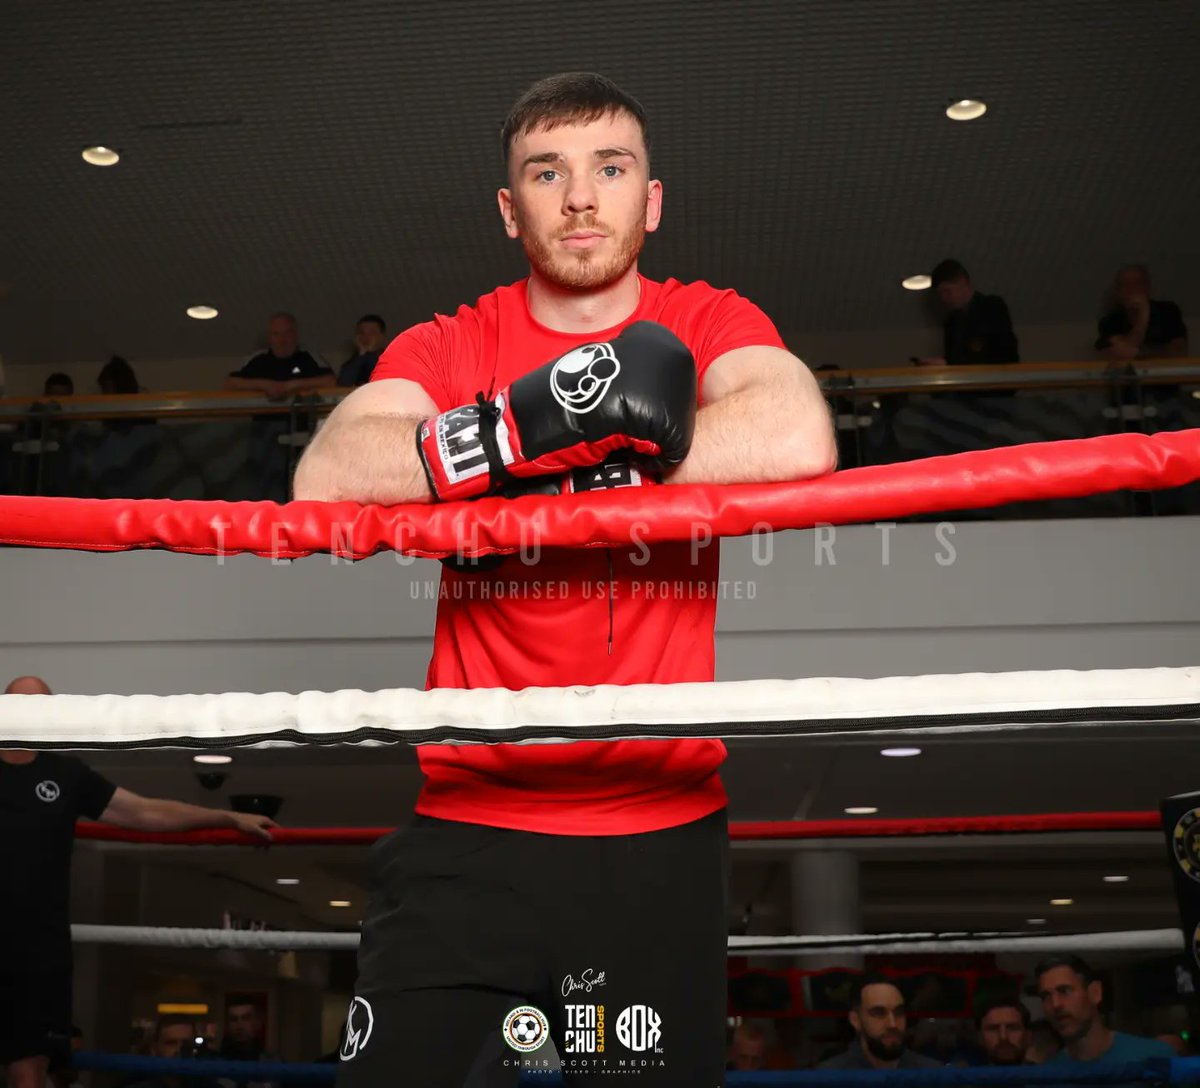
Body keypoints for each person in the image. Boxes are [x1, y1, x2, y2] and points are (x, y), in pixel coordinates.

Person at [295, 71, 836, 1087]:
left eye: (610, 168)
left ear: (652, 198)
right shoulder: (453, 342)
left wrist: (573, 458)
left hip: (655, 838)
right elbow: (330, 472)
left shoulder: (705, 318)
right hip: (470, 830)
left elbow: (795, 431)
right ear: (512, 210)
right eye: (548, 172)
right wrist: (526, 427)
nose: (581, 197)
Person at [0, 676, 276, 1088]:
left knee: (29, 1072)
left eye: (40, 707)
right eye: (19, 706)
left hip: (38, 948)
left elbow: (146, 813)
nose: (29, 716)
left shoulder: (67, 775)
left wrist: (227, 816)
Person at [1035, 954, 1174, 1084]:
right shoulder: (1047, 1078)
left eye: (1065, 991)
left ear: (1095, 992)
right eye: (1046, 996)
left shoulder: (1154, 1057)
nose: (1055, 1004)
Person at [818, 975, 942, 1071]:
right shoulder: (829, 1077)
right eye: (878, 1013)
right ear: (855, 1020)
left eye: (898, 1012)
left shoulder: (932, 1074)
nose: (892, 1024)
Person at [919, 258, 1020, 368]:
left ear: (963, 283)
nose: (943, 298)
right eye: (940, 293)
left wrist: (948, 364)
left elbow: (1005, 354)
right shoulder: (951, 322)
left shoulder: (992, 307)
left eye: (947, 291)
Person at [224, 313, 335, 399]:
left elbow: (331, 381)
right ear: (269, 336)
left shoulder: (309, 357)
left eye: (287, 333)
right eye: (276, 334)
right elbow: (230, 383)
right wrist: (265, 385)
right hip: (264, 423)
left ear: (295, 334)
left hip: (300, 422)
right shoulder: (257, 359)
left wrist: (292, 386)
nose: (282, 340)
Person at [1096, 265, 1188, 361]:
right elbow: (1121, 358)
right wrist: (1143, 317)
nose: (1131, 289)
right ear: (1118, 292)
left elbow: (1178, 354)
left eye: (1137, 283)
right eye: (1125, 285)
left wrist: (1135, 351)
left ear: (1147, 287)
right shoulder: (1110, 321)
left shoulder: (1168, 311)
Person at [976, 998, 1031, 1066]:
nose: (1003, 1037)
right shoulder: (966, 1075)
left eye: (1013, 1028)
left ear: (1028, 1036)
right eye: (993, 1029)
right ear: (980, 1037)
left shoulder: (1044, 1075)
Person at [336, 315, 387, 387]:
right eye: (361, 332)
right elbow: (343, 384)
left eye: (372, 333)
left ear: (381, 336)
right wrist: (361, 355)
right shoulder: (353, 361)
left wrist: (371, 354)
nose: (366, 337)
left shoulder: (390, 359)